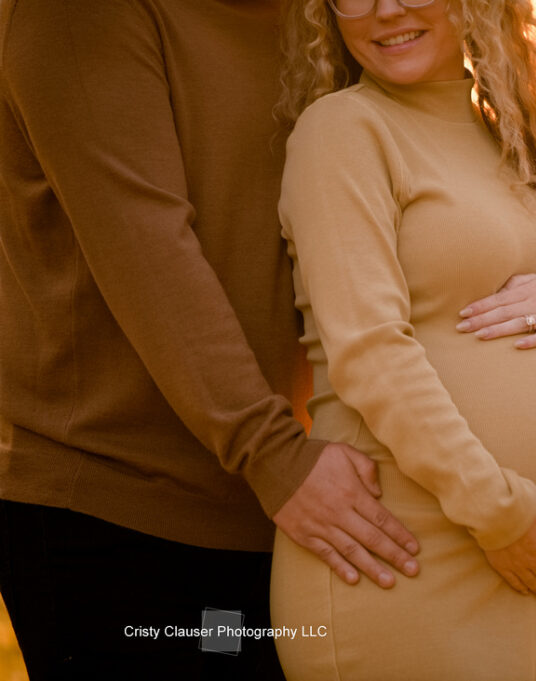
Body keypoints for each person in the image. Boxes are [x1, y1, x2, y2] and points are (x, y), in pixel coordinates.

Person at [0, 1, 426, 678]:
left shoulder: (326, 16)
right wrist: (273, 452)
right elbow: (145, 246)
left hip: (287, 505)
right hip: (121, 517)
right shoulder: (74, 16)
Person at [269, 0, 536, 678]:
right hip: (403, 560)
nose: (385, 10)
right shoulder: (345, 132)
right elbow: (369, 353)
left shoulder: (511, 138)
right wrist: (498, 510)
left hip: (522, 570)